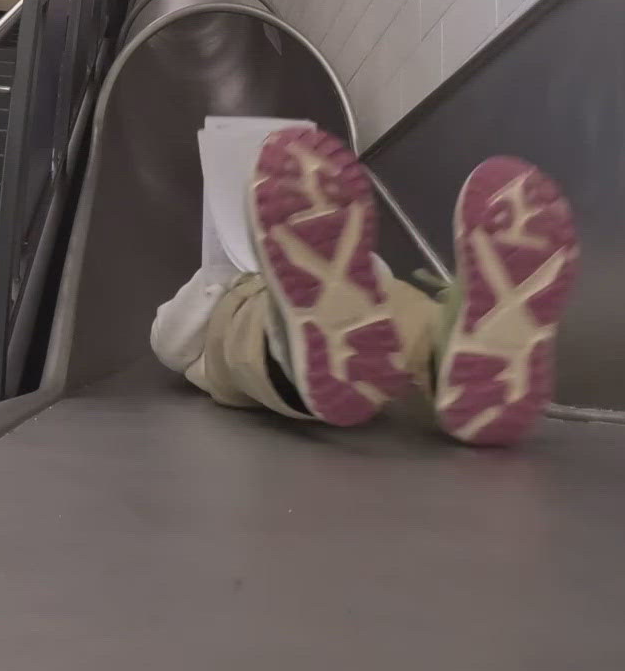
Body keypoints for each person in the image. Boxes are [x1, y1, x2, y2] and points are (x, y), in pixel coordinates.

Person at [151, 122, 579, 446]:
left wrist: (213, 284)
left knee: (249, 336)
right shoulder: (236, 277)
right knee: (405, 318)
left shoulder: (225, 283)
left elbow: (169, 343)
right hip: (355, 303)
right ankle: (445, 353)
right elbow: (169, 341)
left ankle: (299, 343)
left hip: (314, 320)